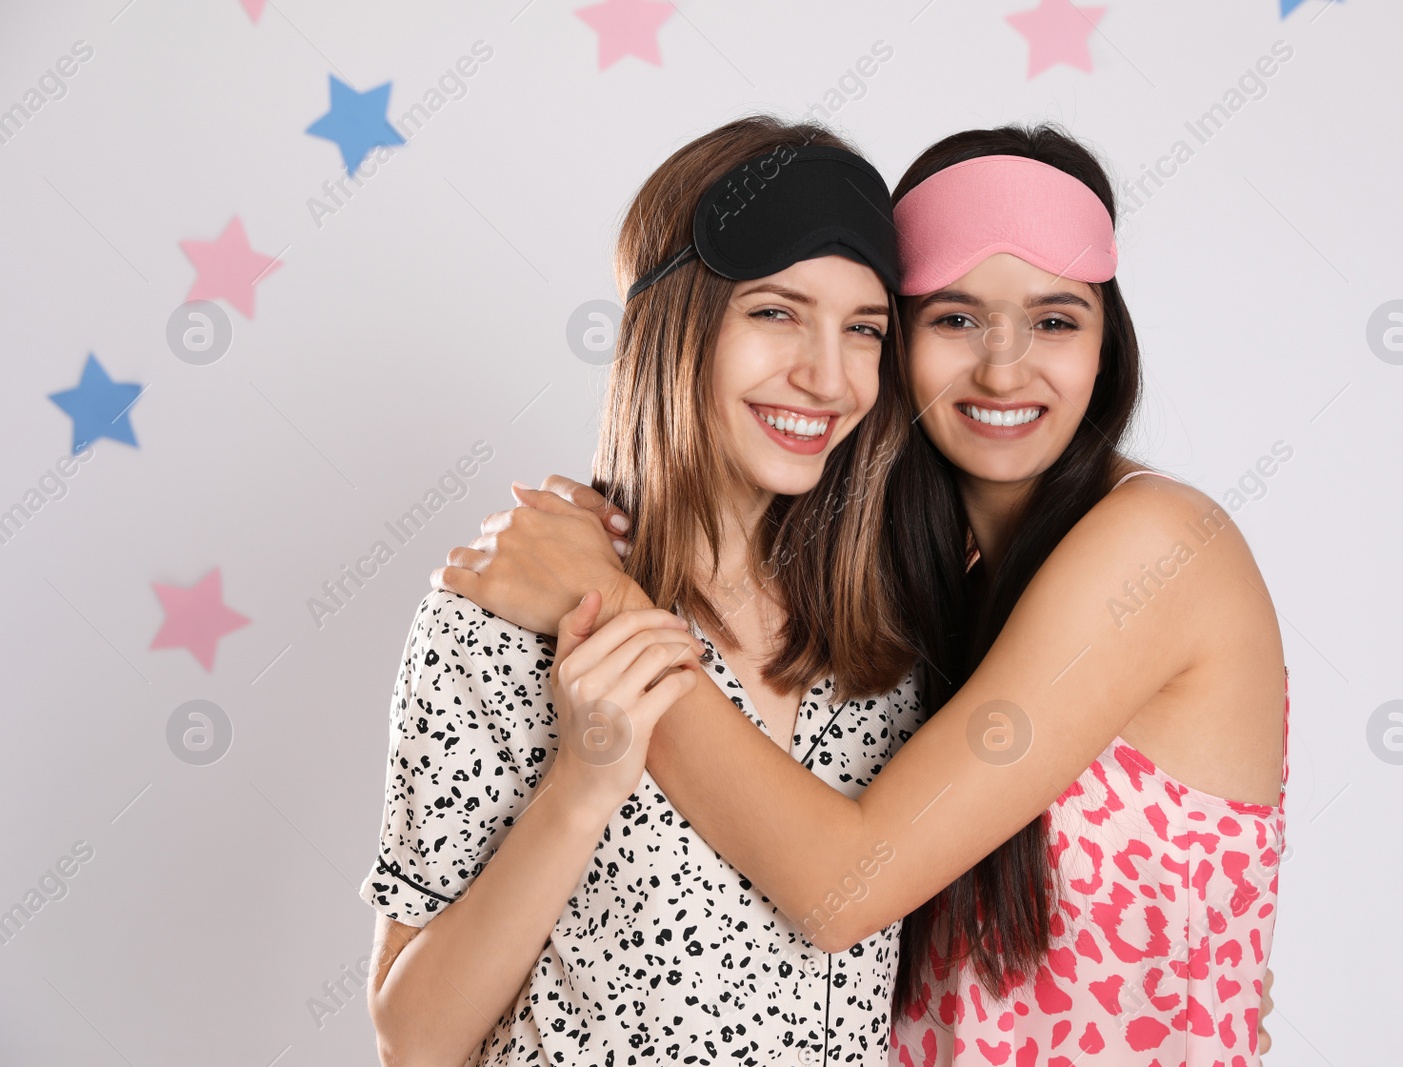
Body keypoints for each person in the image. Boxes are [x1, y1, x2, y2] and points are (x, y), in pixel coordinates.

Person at [442, 123, 1287, 1065]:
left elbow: (844, 885)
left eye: (1056, 319)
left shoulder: (1157, 546)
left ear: (1107, 345)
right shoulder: (898, 592)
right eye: (955, 318)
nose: (1005, 366)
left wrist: (596, 596)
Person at [361, 115, 928, 1067]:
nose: (828, 376)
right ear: (676, 323)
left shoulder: (897, 643)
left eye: (863, 329)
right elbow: (413, 1041)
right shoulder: (501, 614)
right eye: (777, 312)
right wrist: (582, 787)